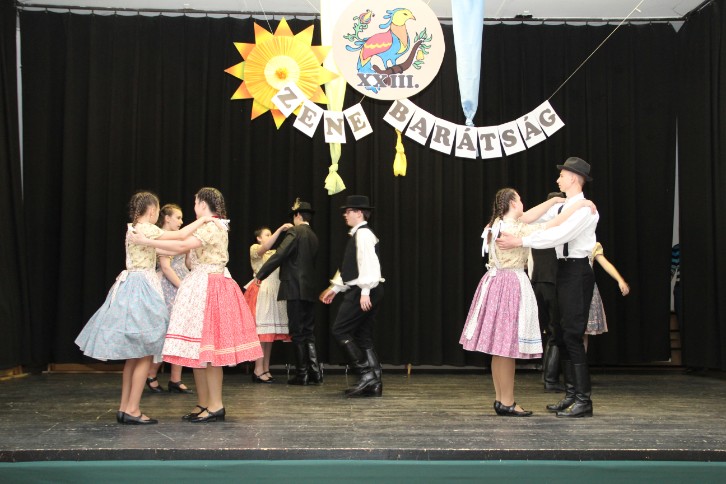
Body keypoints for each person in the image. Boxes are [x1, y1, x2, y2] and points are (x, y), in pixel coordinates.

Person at [76, 191, 212, 425]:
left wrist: (188, 248)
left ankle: (124, 407)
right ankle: (133, 408)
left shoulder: (134, 229)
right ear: (151, 211)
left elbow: (166, 249)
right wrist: (204, 221)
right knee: (145, 352)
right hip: (142, 288)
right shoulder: (146, 228)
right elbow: (179, 236)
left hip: (131, 285)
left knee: (134, 355)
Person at [131, 187, 263, 423]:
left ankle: (216, 405)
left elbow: (182, 245)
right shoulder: (206, 226)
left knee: (209, 351)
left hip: (210, 286)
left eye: (195, 203)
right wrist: (149, 245)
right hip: (200, 284)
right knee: (198, 351)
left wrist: (145, 241)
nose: (194, 207)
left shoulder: (213, 225)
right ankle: (204, 402)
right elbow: (183, 248)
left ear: (203, 204)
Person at [460, 188, 593, 417]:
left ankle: (501, 399)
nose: (523, 203)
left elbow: (529, 215)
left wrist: (554, 201)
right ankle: (508, 401)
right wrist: (578, 205)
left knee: (498, 349)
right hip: (510, 284)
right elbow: (553, 224)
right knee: (506, 347)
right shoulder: (516, 229)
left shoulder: (497, 223)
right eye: (519, 199)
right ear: (513, 203)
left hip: (494, 282)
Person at [497, 157, 599, 418]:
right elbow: (529, 219)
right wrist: (553, 202)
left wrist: (520, 241)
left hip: (577, 270)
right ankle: (571, 394)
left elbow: (558, 235)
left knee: (573, 334)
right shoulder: (565, 206)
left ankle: (583, 399)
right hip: (562, 270)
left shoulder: (586, 210)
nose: (558, 180)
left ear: (573, 178)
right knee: (562, 333)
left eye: (562, 176)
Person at [320, 195, 385, 398]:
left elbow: (369, 264)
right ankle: (374, 382)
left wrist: (365, 291)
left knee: (340, 329)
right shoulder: (359, 234)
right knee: (362, 335)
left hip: (365, 290)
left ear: (359, 213)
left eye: (348, 211)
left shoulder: (363, 234)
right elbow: (351, 267)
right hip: (367, 289)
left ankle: (367, 375)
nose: (345, 214)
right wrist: (335, 288)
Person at [255, 199, 320, 386]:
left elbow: (280, 254)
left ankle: (302, 374)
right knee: (308, 332)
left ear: (298, 215)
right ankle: (315, 372)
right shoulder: (314, 236)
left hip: (294, 287)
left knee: (297, 332)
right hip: (309, 289)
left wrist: (261, 274)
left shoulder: (295, 232)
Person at [146, 203, 193, 394]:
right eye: (178, 218)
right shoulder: (161, 237)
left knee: (179, 330)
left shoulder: (180, 238)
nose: (181, 221)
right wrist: (182, 288)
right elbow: (166, 267)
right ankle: (151, 374)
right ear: (167, 218)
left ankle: (175, 378)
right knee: (165, 331)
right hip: (168, 285)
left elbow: (187, 263)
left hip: (182, 279)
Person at [245, 223, 293, 383]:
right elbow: (264, 248)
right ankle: (257, 369)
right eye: (267, 234)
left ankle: (265, 367)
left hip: (274, 292)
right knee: (262, 333)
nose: (270, 237)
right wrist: (279, 230)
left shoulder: (274, 252)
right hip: (262, 291)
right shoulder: (255, 249)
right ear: (259, 238)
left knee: (269, 335)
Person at [529, 192, 566, 392]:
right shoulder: (560, 229)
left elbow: (530, 260)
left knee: (547, 330)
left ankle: (547, 375)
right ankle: (550, 379)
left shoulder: (536, 229)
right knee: (556, 332)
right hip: (554, 283)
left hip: (537, 283)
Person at [584, 242, 630, 350]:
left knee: (583, 331)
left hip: (586, 289)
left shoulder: (591, 244)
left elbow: (605, 264)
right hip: (567, 288)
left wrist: (620, 280)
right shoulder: (565, 240)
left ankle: (579, 359)